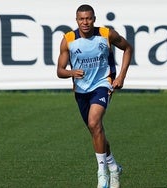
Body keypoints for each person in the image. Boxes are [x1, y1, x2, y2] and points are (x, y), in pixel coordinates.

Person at [57, 4, 133, 188]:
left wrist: (121, 76)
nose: (85, 22)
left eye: (88, 18)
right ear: (76, 20)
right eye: (81, 19)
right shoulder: (68, 39)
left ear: (94, 19)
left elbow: (128, 48)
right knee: (96, 130)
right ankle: (114, 167)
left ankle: (102, 175)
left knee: (94, 122)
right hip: (81, 90)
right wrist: (72, 73)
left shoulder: (107, 34)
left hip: (103, 84)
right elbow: (60, 71)